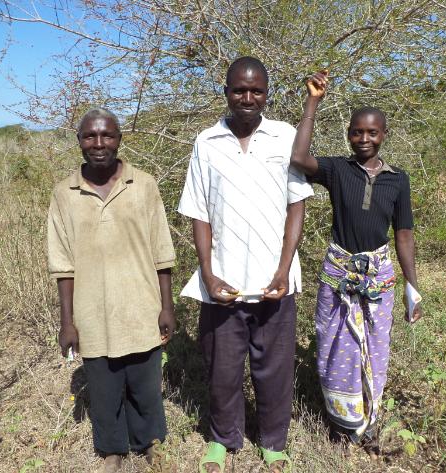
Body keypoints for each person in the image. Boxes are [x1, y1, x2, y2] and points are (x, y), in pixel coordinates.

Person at [178, 57, 314, 473]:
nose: (248, 98)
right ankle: (222, 439)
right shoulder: (207, 142)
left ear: (267, 94)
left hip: (274, 279)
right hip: (224, 279)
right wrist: (207, 273)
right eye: (239, 90)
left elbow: (296, 205)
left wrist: (284, 268)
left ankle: (273, 442)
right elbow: (199, 212)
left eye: (256, 91)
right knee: (222, 369)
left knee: (274, 369)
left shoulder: (284, 136)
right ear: (226, 92)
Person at [290, 71, 422, 457]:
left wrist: (412, 285)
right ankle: (342, 424)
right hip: (338, 274)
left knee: (375, 349)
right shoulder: (338, 170)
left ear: (384, 135)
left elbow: (404, 234)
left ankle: (368, 422)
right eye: (357, 132)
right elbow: (299, 158)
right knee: (334, 347)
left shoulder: (398, 180)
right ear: (348, 135)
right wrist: (313, 101)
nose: (364, 139)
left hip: (378, 277)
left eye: (372, 133)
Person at [47, 108, 176, 473]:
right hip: (92, 312)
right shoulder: (64, 193)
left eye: (107, 135)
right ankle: (112, 450)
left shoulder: (143, 184)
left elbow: (162, 251)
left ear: (119, 139)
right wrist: (67, 322)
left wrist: (166, 306)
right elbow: (62, 265)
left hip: (141, 305)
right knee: (104, 389)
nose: (99, 143)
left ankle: (149, 442)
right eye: (90, 136)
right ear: (79, 141)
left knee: (145, 385)